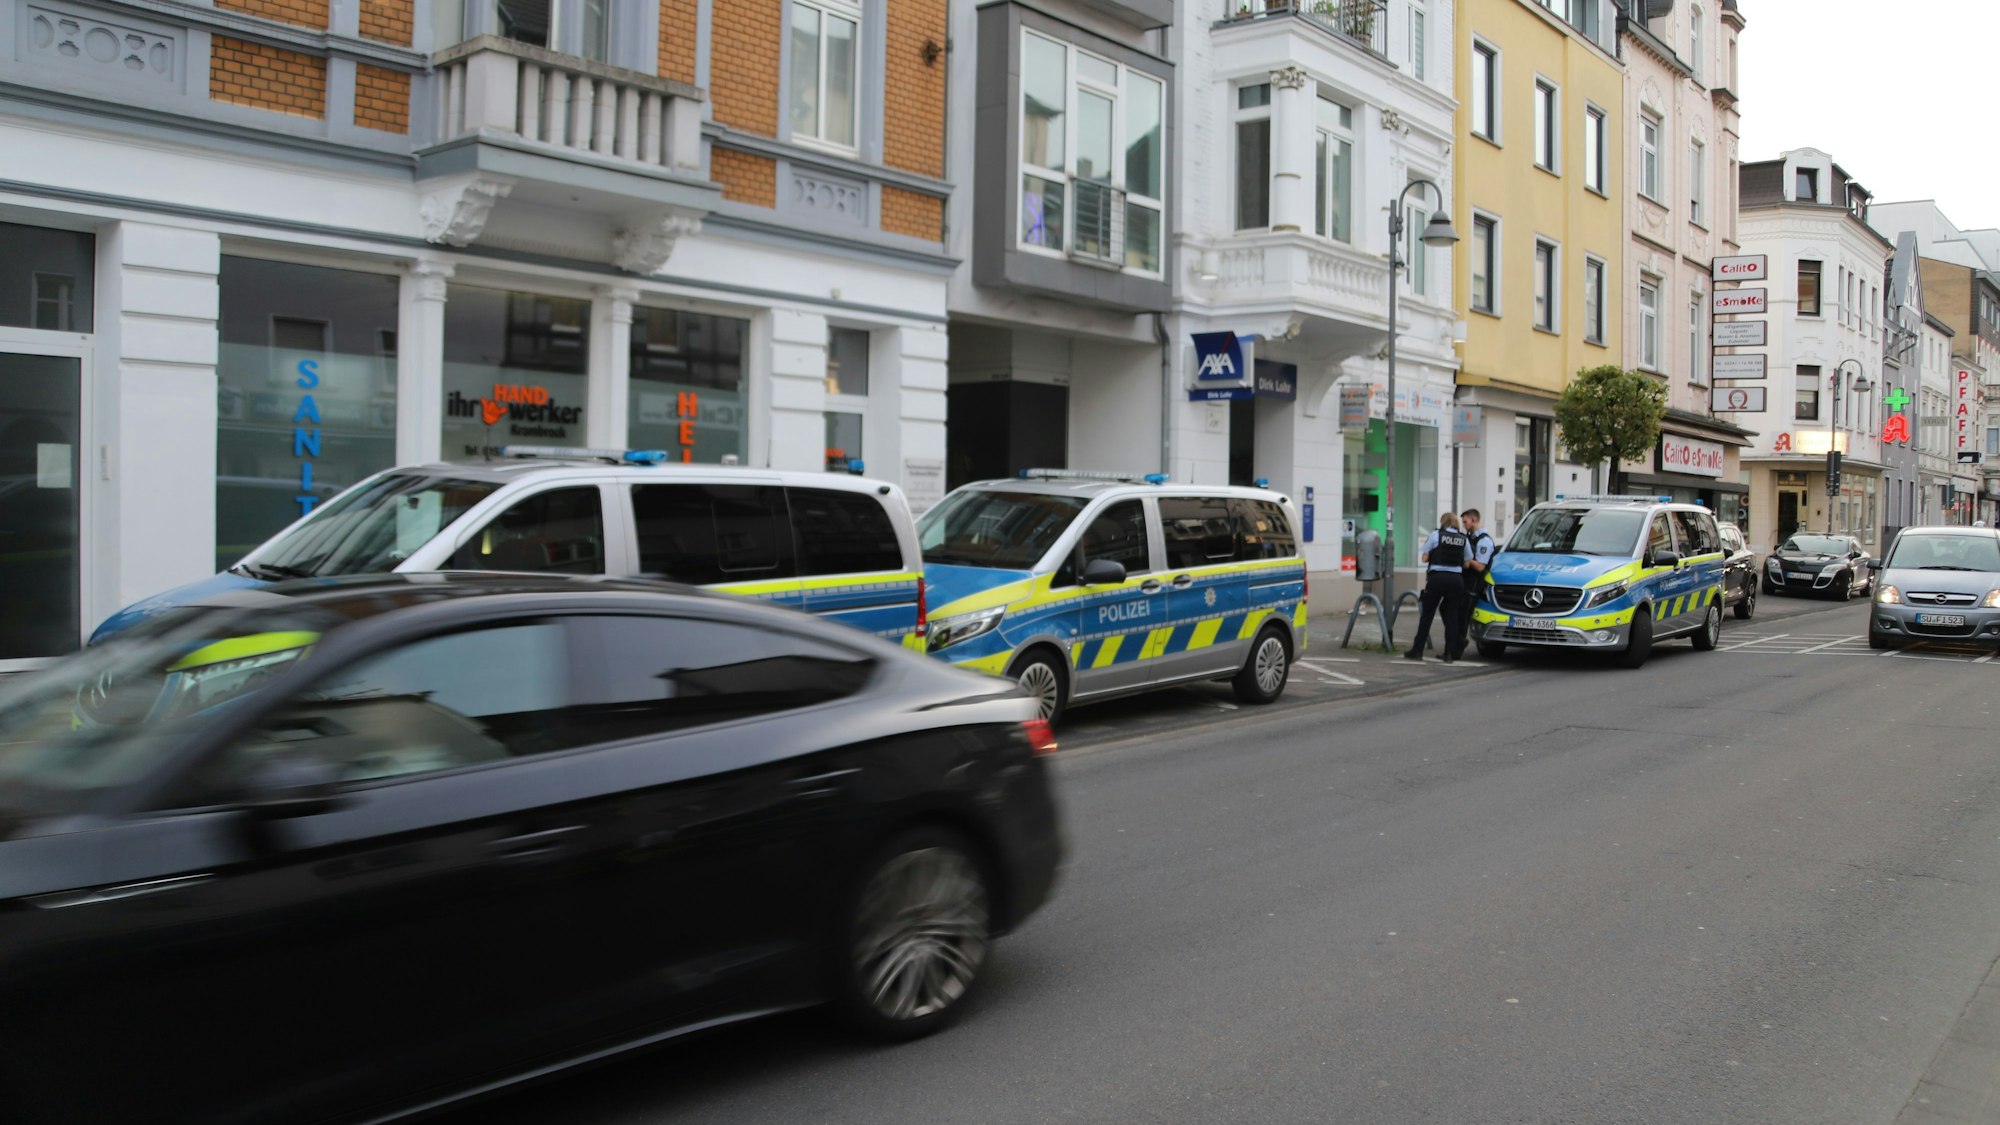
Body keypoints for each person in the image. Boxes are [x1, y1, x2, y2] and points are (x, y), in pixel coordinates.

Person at [1404, 512, 1469, 663]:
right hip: (1456, 580)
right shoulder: (1463, 539)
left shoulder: (1435, 535)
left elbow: (1425, 557)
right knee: (1452, 616)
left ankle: (1417, 650)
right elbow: (1466, 563)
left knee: (1427, 615)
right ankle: (1449, 654)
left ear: (1443, 522)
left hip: (1437, 578)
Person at [1454, 508, 1495, 660]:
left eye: (1465, 521)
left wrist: (1465, 560)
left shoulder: (1484, 541)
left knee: (1463, 616)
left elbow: (1480, 566)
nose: (1464, 525)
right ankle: (1457, 643)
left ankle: (1457, 649)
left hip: (1473, 583)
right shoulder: (1468, 537)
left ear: (1474, 519)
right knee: (1454, 612)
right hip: (1464, 581)